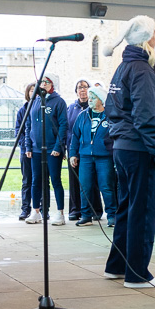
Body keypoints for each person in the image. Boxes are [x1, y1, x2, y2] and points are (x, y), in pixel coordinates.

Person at [103, 14, 155, 288]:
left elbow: (111, 109)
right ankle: (137, 273)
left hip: (123, 146)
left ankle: (117, 266)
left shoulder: (123, 68)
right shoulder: (141, 70)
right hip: (139, 147)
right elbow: (145, 116)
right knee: (142, 210)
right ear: (146, 38)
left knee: (127, 209)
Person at [23, 72, 68, 226]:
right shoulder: (34, 102)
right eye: (40, 82)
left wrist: (58, 146)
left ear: (52, 85)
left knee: (55, 180)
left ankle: (60, 213)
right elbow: (28, 124)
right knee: (36, 180)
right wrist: (28, 145)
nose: (42, 85)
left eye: (45, 82)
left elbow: (63, 125)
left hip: (52, 149)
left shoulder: (59, 102)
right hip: (36, 149)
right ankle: (36, 211)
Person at [69, 83, 115, 227]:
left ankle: (112, 216)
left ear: (101, 100)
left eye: (94, 97)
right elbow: (75, 136)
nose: (90, 100)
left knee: (106, 186)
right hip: (86, 157)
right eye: (90, 97)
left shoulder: (110, 116)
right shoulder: (83, 116)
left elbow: (116, 135)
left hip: (104, 157)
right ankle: (86, 216)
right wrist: (73, 154)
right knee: (85, 186)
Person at [66, 77, 93, 223]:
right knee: (74, 181)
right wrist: (70, 150)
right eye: (79, 87)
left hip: (89, 150)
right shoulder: (71, 108)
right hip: (74, 150)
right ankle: (75, 209)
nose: (82, 90)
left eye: (85, 87)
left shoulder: (94, 108)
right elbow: (68, 130)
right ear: (76, 92)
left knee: (90, 182)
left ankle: (92, 210)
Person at [17, 83, 36, 220]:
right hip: (26, 151)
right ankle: (25, 209)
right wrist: (25, 147)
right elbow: (19, 131)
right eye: (31, 90)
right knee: (27, 181)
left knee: (40, 181)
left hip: (39, 150)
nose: (33, 93)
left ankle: (41, 208)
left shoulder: (42, 108)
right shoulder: (22, 110)